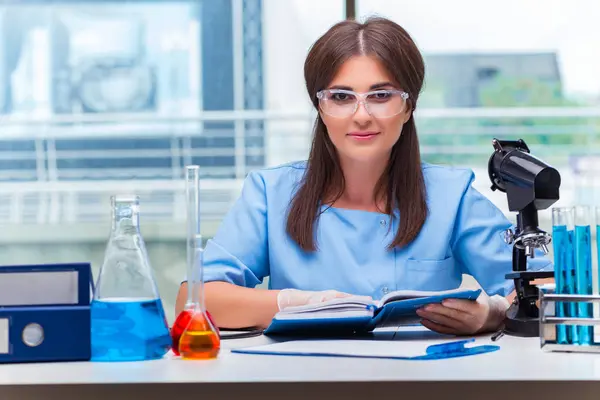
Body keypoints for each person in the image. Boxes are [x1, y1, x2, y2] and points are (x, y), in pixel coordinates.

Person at [175, 16, 553, 335]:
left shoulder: (450, 196)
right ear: (319, 107)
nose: (361, 115)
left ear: (408, 107)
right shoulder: (271, 194)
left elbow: (545, 288)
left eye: (380, 95)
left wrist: (493, 314)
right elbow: (193, 300)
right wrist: (297, 303)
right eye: (341, 96)